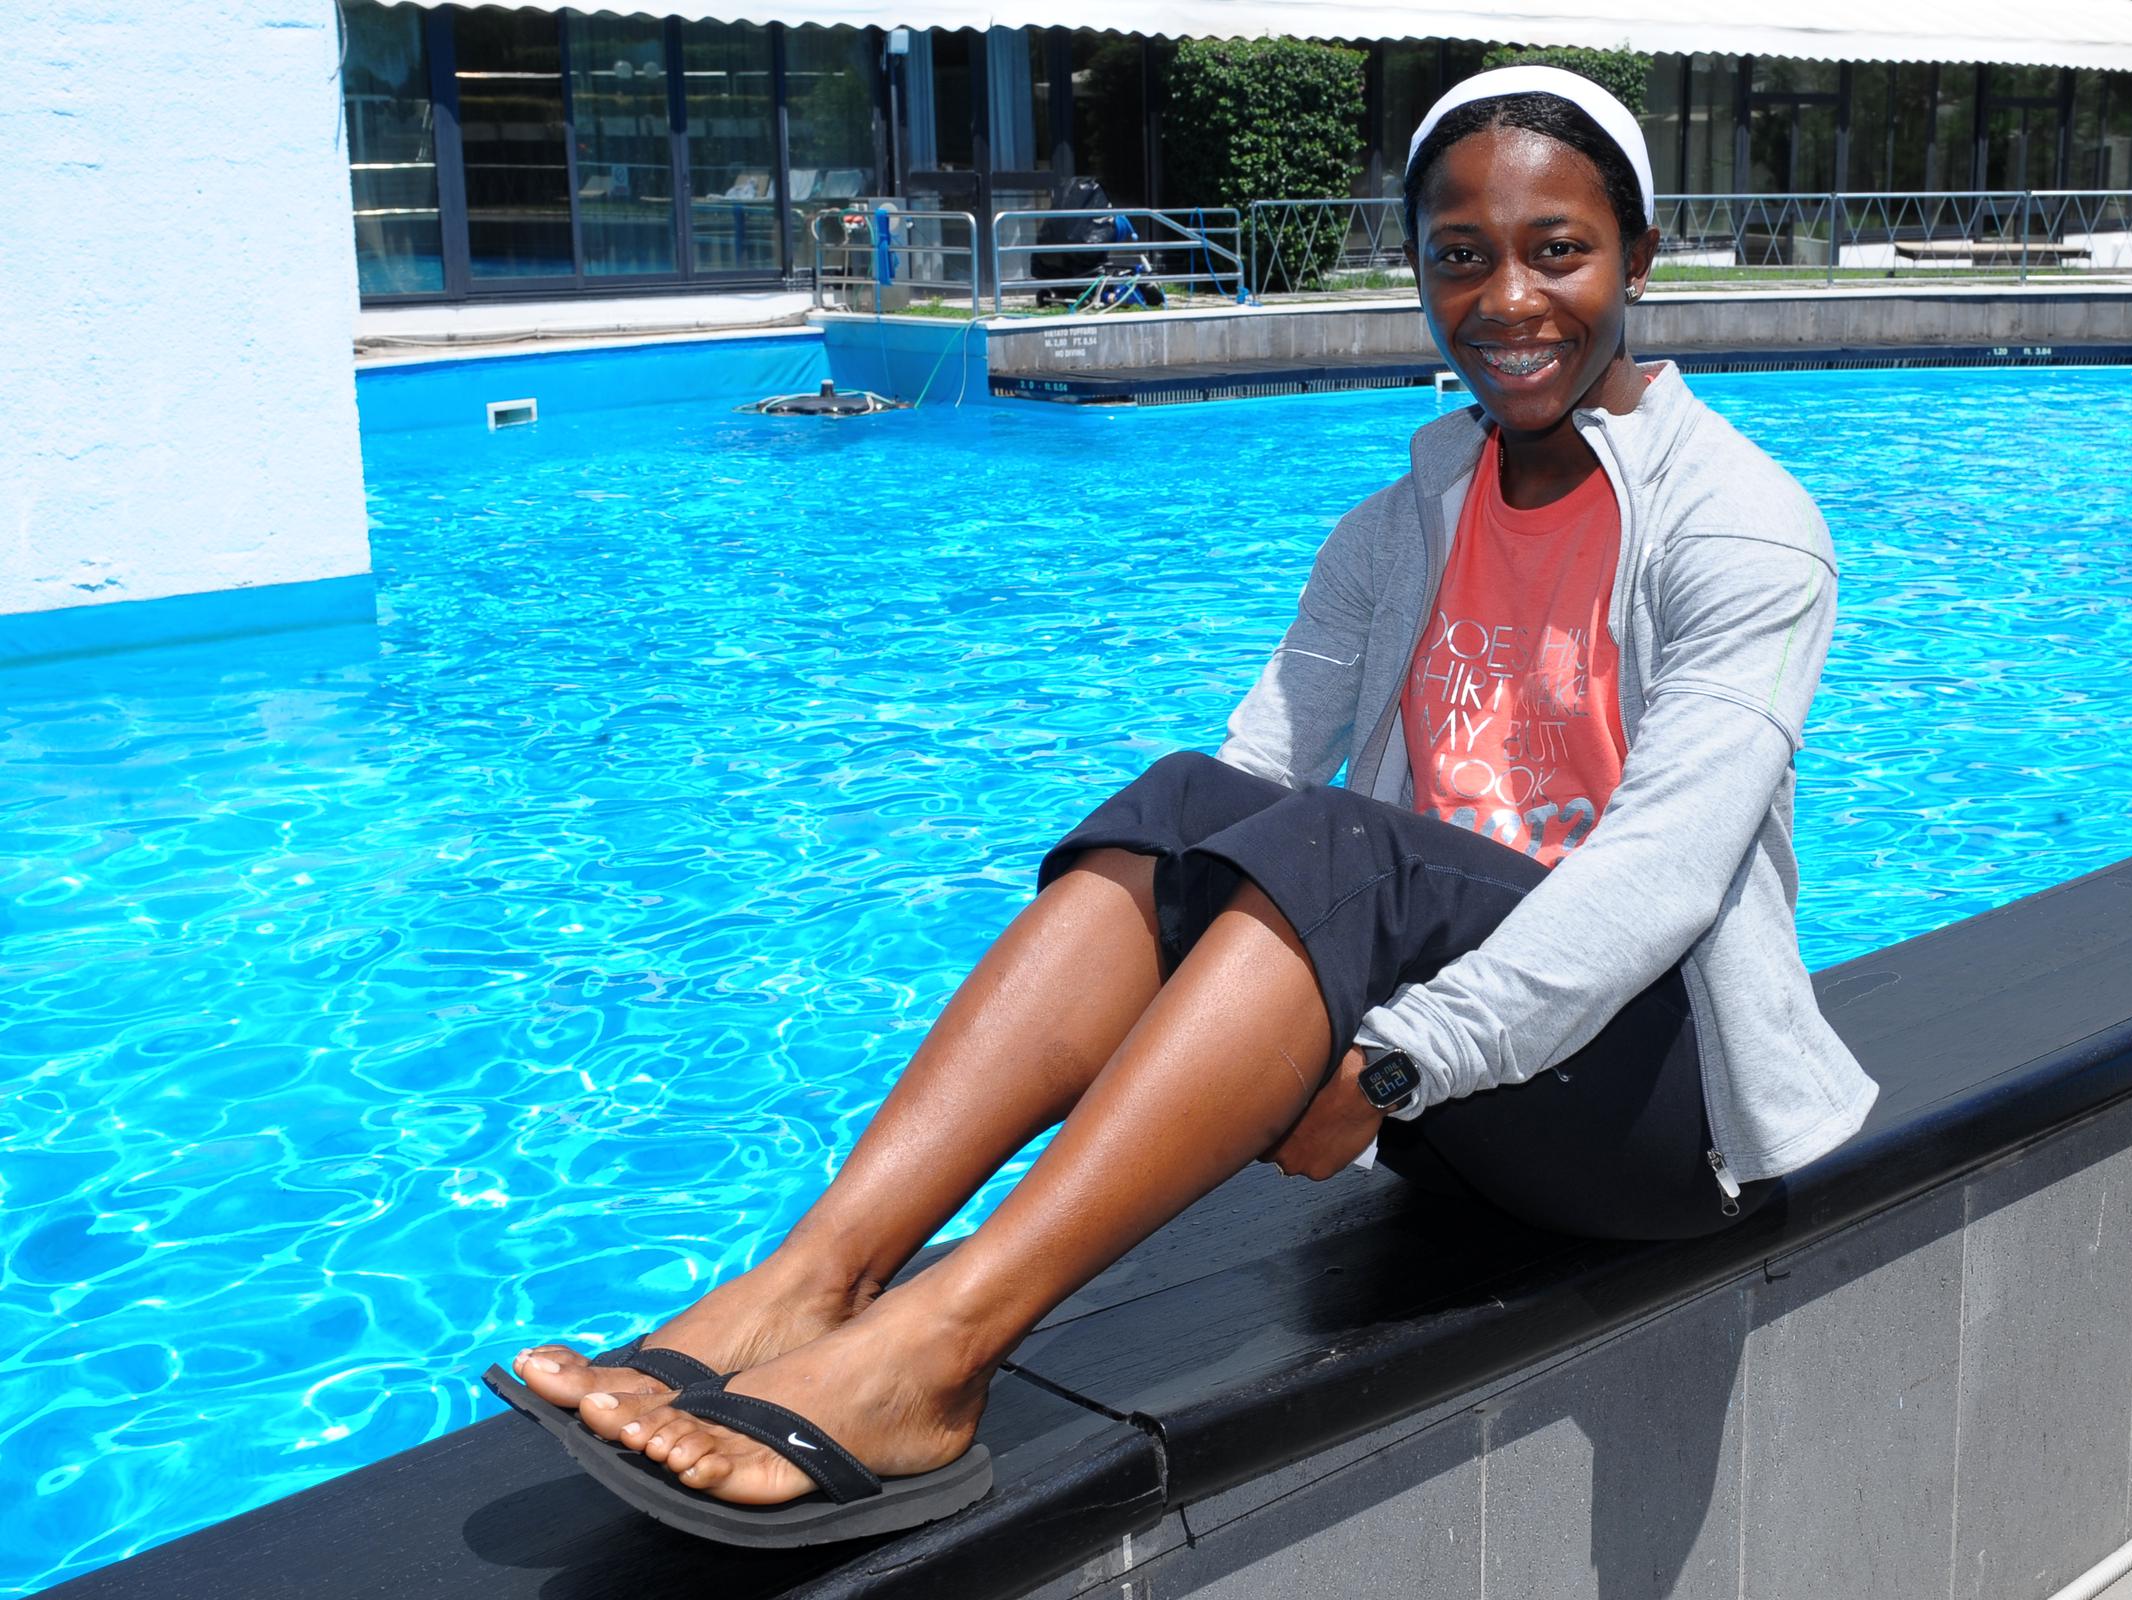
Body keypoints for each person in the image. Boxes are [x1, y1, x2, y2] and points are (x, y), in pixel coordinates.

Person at [491, 65, 1878, 1545]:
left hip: (1643, 1114)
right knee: (1181, 802)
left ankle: (935, 1353)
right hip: (1444, 1101)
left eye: (1558, 250)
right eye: (1460, 255)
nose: (1508, 298)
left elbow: (1664, 875)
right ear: (1416, 271)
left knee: (1344, 849)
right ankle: (811, 1281)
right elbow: (1245, 786)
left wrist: (1402, 1062)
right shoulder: (1395, 527)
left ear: (1638, 261)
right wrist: (1194, 981)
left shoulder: (1740, 523)